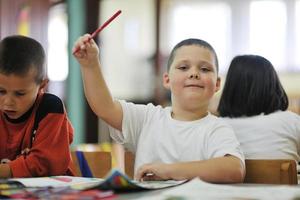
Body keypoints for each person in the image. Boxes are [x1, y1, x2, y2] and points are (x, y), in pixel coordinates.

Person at [73, 35, 245, 183]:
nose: (194, 73)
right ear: (167, 80)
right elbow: (105, 107)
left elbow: (234, 169)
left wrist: (168, 170)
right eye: (184, 67)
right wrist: (90, 65)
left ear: (216, 84)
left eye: (205, 69)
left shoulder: (217, 129)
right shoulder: (148, 118)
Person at [0, 35, 74, 178]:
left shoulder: (51, 108)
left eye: (20, 93)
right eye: (1, 91)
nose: (8, 102)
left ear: (42, 85)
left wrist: (5, 171)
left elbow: (46, 164)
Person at [218, 54, 300, 162]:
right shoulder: (291, 121)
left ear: (230, 88)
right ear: (273, 85)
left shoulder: (217, 127)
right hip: (281, 178)